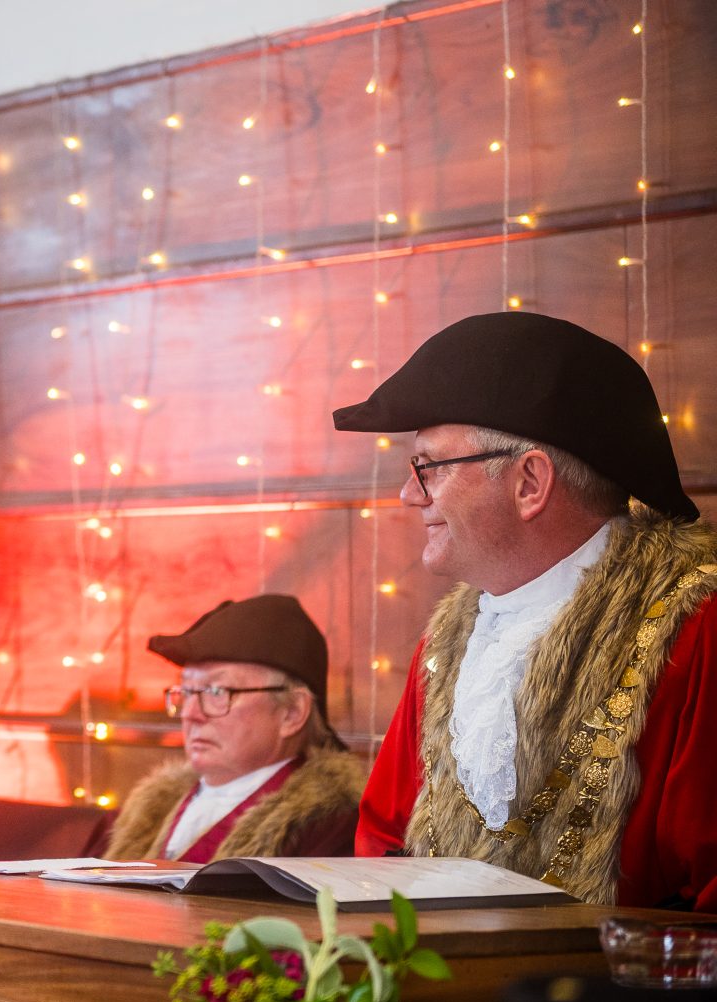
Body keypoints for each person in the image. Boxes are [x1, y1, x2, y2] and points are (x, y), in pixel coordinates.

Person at [332, 310, 717, 911]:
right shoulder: (442, 647)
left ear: (530, 482)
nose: (409, 494)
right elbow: (382, 837)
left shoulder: (697, 629)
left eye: (428, 466)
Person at [103, 594, 366, 863]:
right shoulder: (145, 811)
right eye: (186, 692)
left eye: (217, 691)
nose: (191, 714)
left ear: (292, 712)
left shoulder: (330, 827)